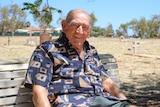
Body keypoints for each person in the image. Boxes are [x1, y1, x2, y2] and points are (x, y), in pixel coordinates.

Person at [25, 9, 136, 107]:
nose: (80, 31)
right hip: (70, 102)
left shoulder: (91, 51)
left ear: (89, 31)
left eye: (85, 27)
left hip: (102, 100)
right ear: (64, 26)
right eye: (75, 25)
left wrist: (125, 101)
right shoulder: (47, 50)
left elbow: (106, 82)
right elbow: (39, 91)